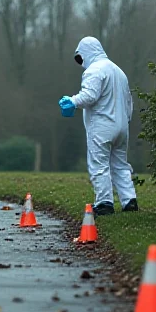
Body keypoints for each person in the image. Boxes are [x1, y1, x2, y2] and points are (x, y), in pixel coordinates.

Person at [59, 37, 138, 216]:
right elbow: (128, 101)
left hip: (102, 125)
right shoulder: (119, 71)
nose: (81, 63)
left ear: (86, 52)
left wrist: (72, 101)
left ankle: (104, 203)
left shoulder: (94, 70)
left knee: (99, 164)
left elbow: (90, 95)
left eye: (80, 58)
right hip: (122, 126)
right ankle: (129, 201)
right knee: (120, 165)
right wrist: (126, 121)